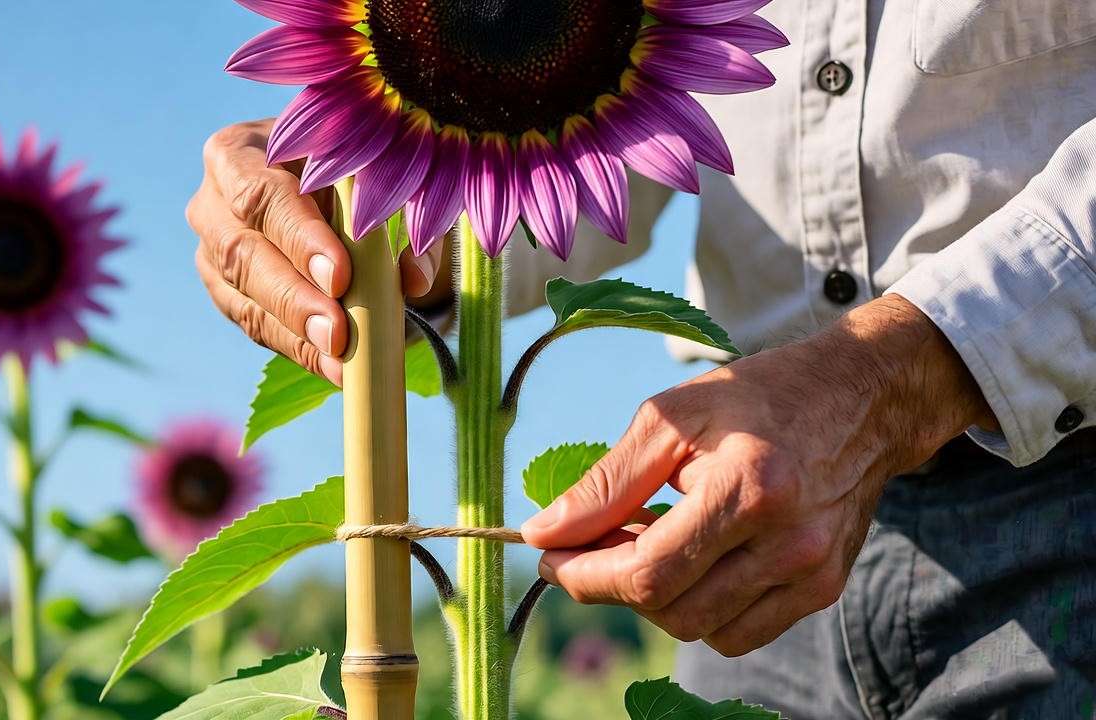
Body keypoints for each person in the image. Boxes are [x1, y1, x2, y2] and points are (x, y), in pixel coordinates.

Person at [186, 3, 1096, 717]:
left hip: (1066, 503)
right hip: (741, 534)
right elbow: (596, 167)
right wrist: (376, 203)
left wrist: (901, 371)